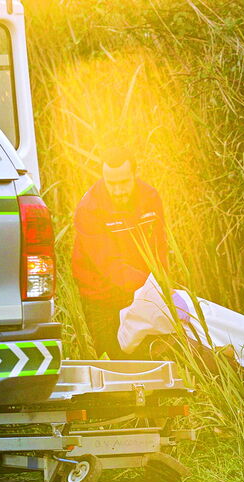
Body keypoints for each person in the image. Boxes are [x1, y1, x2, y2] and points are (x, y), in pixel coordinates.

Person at [71, 147, 168, 358]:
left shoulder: (150, 198)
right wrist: (153, 289)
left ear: (135, 174)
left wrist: (164, 285)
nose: (117, 190)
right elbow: (110, 265)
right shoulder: (89, 209)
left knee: (148, 356)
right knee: (116, 361)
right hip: (101, 297)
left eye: (123, 182)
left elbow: (159, 247)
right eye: (111, 183)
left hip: (140, 291)